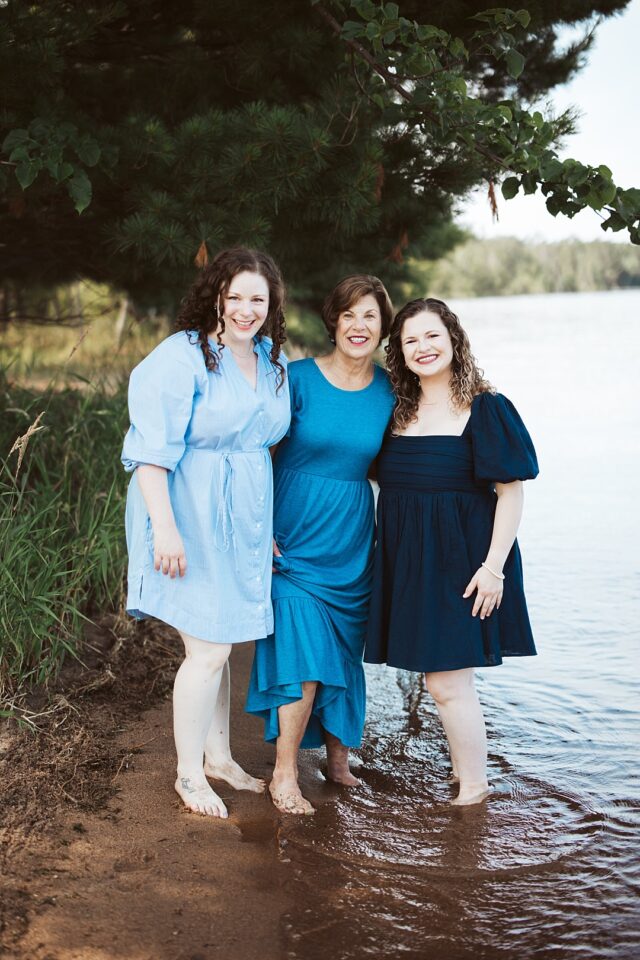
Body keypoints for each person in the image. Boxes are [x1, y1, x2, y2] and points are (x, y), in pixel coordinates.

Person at [121, 247, 290, 818]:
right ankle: (189, 774)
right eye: (235, 296)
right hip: (185, 510)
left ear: (272, 305)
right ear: (215, 295)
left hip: (242, 517)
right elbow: (149, 454)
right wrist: (164, 530)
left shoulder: (269, 359)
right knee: (209, 648)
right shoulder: (182, 357)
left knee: (220, 639)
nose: (246, 310)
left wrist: (261, 527)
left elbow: (261, 446)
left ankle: (218, 755)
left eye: (258, 299)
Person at [365, 297, 538, 805]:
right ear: (398, 351)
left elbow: (511, 492)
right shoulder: (394, 409)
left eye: (432, 336)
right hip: (407, 561)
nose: (423, 347)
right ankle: (467, 776)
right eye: (410, 340)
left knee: (446, 684)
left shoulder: (485, 406)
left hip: (465, 563)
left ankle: (475, 790)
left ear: (453, 339)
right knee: (442, 681)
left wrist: (493, 569)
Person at [246, 276, 395, 815]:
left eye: (371, 317)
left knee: (343, 653)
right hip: (290, 539)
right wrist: (257, 533)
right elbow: (256, 455)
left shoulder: (390, 394)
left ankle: (337, 761)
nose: (359, 326)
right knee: (302, 654)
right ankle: (284, 773)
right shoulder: (296, 378)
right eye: (350, 315)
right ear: (333, 321)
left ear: (384, 329)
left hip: (352, 542)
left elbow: (404, 464)